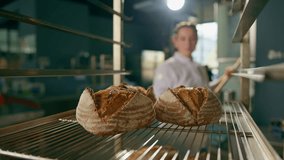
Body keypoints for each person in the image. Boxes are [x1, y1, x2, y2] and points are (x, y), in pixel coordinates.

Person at [153, 21, 233, 97]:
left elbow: (207, 91)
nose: (188, 43)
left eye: (192, 39)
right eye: (183, 39)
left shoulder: (200, 67)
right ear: (175, 41)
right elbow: (160, 98)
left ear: (197, 41)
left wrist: (225, 76)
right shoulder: (166, 67)